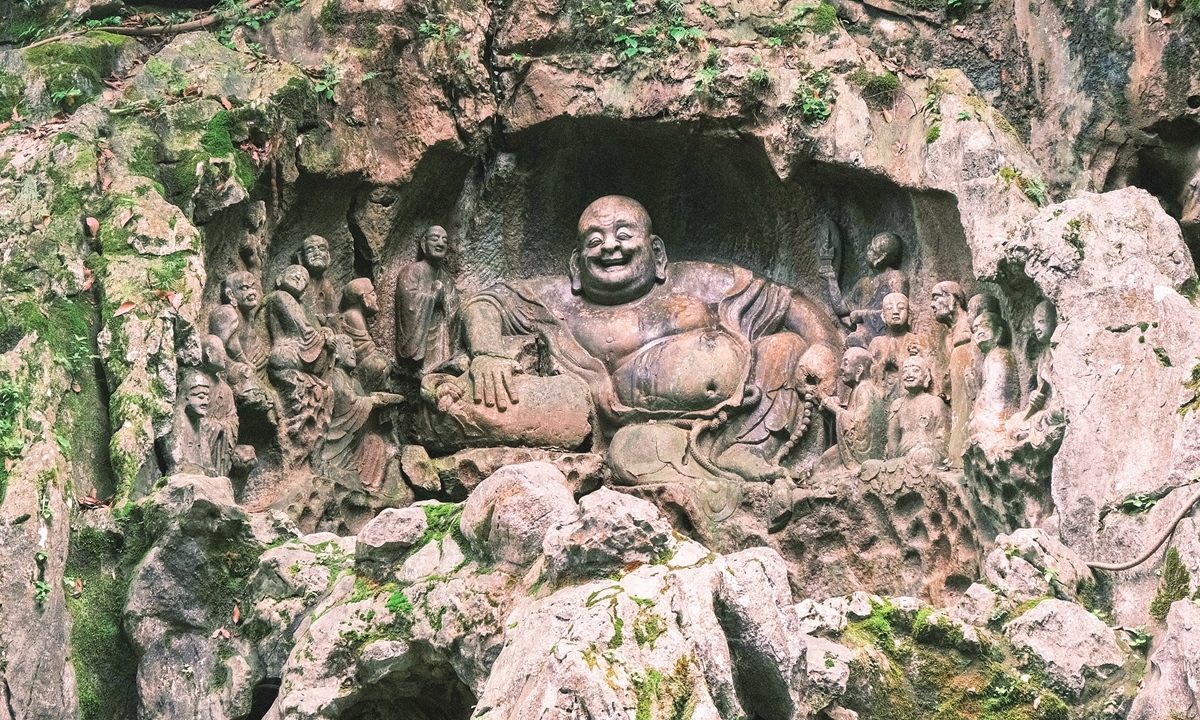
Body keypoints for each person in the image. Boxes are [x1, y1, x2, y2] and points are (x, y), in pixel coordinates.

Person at [456, 195, 841, 482]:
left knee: (785, 347)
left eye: (623, 235)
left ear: (657, 253)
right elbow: (485, 301)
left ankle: (749, 451)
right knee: (631, 450)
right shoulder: (560, 300)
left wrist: (823, 344)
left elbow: (789, 302)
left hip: (741, 414)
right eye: (594, 240)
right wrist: (487, 352)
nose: (609, 246)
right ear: (576, 265)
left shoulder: (695, 281)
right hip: (639, 433)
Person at [323, 335, 404, 491]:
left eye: (353, 347)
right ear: (337, 353)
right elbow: (349, 401)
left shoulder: (355, 383)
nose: (352, 351)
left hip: (357, 438)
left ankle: (368, 486)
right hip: (339, 437)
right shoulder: (335, 375)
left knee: (375, 443)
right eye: (347, 346)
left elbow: (364, 408)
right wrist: (374, 401)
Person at [820, 231, 908, 348]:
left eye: (872, 249)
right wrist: (831, 280)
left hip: (886, 339)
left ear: (881, 258)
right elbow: (842, 309)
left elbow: (896, 313)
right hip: (862, 335)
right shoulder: (863, 283)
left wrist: (862, 315)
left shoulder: (895, 278)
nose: (868, 250)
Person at [396, 226, 464, 375]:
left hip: (442, 339)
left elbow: (454, 314)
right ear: (423, 243)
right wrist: (433, 296)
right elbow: (408, 303)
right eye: (435, 238)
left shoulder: (447, 279)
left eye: (444, 240)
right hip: (421, 338)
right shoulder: (412, 271)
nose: (440, 243)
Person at [820, 347, 887, 471]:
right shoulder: (857, 390)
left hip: (865, 456)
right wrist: (832, 409)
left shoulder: (864, 390)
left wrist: (835, 409)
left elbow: (860, 427)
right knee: (821, 465)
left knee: (821, 466)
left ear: (859, 370)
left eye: (845, 363)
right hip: (856, 452)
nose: (841, 368)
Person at [931, 281, 974, 466]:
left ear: (950, 298)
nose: (932, 305)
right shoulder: (948, 337)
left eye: (935, 297)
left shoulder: (971, 325)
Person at [887, 354, 950, 468]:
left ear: (926, 377)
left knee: (922, 456)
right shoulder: (897, 405)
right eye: (905, 371)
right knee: (869, 466)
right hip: (901, 459)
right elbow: (892, 439)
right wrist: (892, 461)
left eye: (915, 370)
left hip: (925, 456)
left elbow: (942, 437)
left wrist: (925, 446)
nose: (909, 374)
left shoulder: (935, 402)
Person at [968, 310, 1020, 443]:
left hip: (1000, 415)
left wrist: (979, 405)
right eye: (975, 328)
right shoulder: (990, 356)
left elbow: (997, 391)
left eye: (985, 324)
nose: (979, 331)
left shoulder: (1000, 355)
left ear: (999, 330)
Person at [866, 292, 927, 401]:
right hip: (881, 398)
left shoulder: (916, 341)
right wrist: (885, 362)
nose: (895, 312)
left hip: (909, 400)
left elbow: (927, 374)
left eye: (901, 308)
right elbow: (868, 378)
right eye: (889, 308)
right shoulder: (876, 343)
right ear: (883, 316)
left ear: (909, 315)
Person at [340, 278, 392, 391]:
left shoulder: (357, 315)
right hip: (353, 369)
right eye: (372, 294)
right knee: (379, 363)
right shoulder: (353, 315)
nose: (376, 297)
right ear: (364, 298)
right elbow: (365, 351)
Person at [300, 235, 338, 328]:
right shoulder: (299, 279)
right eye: (310, 250)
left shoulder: (326, 285)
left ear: (328, 257)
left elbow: (333, 315)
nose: (317, 253)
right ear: (301, 258)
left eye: (322, 249)